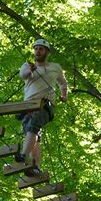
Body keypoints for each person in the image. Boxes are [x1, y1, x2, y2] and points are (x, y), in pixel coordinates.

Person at [15, 38, 68, 176]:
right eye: (36, 49)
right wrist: (31, 70)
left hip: (45, 103)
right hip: (28, 105)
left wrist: (64, 95)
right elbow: (23, 75)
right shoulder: (27, 65)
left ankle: (23, 155)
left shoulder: (55, 67)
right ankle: (36, 167)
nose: (38, 51)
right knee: (32, 135)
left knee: (34, 127)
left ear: (47, 52)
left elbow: (63, 83)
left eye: (41, 49)